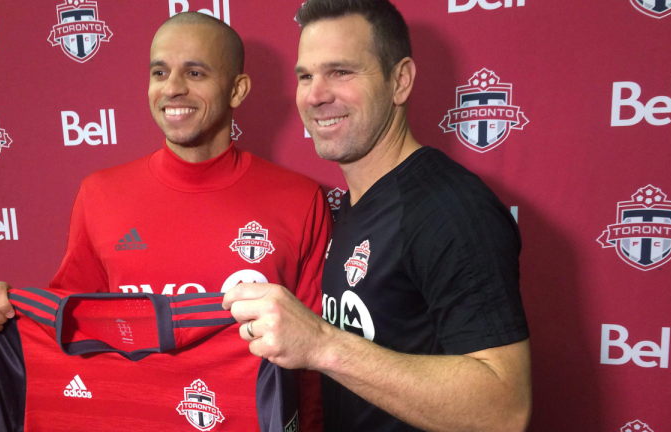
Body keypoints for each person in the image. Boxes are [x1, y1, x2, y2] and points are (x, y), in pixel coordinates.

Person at [0, 12, 329, 431]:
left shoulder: (300, 200)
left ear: (237, 89)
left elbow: (312, 366)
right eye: (159, 72)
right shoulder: (100, 194)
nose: (172, 88)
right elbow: (68, 326)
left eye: (194, 72)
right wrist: (1, 313)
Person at [222, 1, 532, 431]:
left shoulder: (451, 209)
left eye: (341, 72)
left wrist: (321, 344)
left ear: (400, 81)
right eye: (306, 76)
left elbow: (504, 412)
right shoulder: (357, 203)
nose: (315, 95)